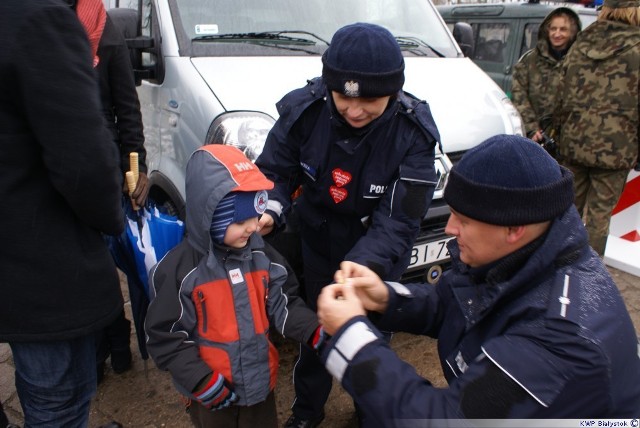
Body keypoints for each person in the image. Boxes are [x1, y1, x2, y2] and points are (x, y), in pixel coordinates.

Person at [316, 134, 640, 423]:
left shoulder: (558, 339)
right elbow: (453, 303)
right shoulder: (522, 255)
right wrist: (384, 297)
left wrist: (350, 338)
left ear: (514, 228)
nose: (449, 228)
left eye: (464, 220)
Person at [255, 22, 440, 427]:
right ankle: (307, 412)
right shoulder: (306, 111)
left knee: (370, 336)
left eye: (370, 100)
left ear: (393, 91)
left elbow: (399, 220)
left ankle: (369, 410)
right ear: (329, 88)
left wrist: (361, 267)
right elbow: (274, 171)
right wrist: (269, 208)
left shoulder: (413, 134)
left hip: (375, 256)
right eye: (343, 98)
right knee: (317, 333)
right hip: (318, 242)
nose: (354, 111)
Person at [0, 0, 125, 426]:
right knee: (57, 405)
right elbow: (84, 163)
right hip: (36, 265)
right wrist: (112, 221)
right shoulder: (37, 19)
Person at [144, 145, 323, 428]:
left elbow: (284, 302)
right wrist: (200, 380)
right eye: (240, 221)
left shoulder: (262, 256)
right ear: (210, 215)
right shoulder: (181, 272)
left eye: (256, 215)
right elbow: (166, 336)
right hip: (210, 394)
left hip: (260, 386)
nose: (253, 227)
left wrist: (314, 329)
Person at [73, 0, 150, 383]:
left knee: (105, 265)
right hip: (52, 169)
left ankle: (117, 341)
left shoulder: (103, 28)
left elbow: (127, 107)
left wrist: (134, 171)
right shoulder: (33, 23)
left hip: (102, 169)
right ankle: (97, 348)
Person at [552, 0, 640, 256]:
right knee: (600, 216)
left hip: (574, 142)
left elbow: (561, 93)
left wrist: (560, 132)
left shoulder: (581, 42)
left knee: (568, 209)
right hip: (617, 148)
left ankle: (560, 265)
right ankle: (588, 277)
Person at [512, 7, 581, 144]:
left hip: (570, 142)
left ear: (572, 33)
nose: (557, 34)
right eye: (553, 29)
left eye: (563, 29)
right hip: (537, 139)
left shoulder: (580, 61)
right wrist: (531, 127)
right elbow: (519, 95)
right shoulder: (530, 61)